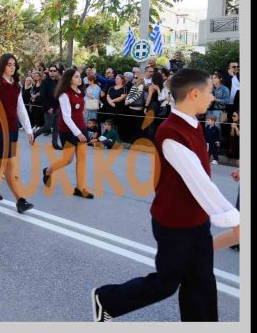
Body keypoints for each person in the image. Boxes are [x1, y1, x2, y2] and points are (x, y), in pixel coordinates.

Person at [91, 68, 240, 322]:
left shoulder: (192, 125)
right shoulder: (171, 132)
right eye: (209, 91)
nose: (213, 96)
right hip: (175, 223)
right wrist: (236, 221)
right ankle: (106, 299)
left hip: (196, 219)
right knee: (165, 283)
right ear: (194, 94)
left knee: (201, 283)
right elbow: (200, 183)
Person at [0, 53, 36, 212]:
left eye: (14, 65)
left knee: (3, 161)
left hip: (13, 128)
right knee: (9, 164)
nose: (12, 67)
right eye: (9, 65)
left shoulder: (16, 86)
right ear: (2, 66)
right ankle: (20, 200)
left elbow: (21, 109)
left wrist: (29, 130)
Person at [41, 68, 94, 199]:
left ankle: (80, 188)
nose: (79, 78)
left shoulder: (81, 92)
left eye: (79, 76)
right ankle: (48, 171)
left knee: (82, 158)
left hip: (81, 127)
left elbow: (80, 110)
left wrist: (83, 126)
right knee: (67, 160)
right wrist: (78, 133)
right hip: (68, 130)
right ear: (69, 79)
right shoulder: (64, 95)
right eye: (76, 76)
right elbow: (66, 117)